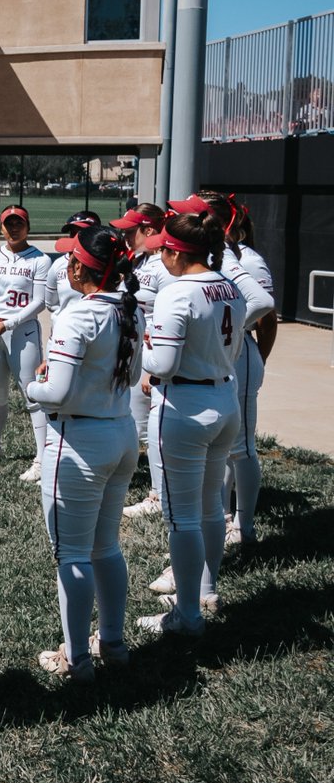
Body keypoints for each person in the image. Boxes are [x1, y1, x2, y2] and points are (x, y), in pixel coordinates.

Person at [26, 227, 142, 682]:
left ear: (80, 267)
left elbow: (54, 392)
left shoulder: (78, 315)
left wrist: (33, 387)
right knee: (105, 547)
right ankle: (112, 642)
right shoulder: (129, 309)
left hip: (78, 443)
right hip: (119, 434)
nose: (66, 266)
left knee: (72, 555)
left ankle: (76, 660)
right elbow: (132, 379)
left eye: (70, 259)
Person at [135, 212, 248, 637]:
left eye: (164, 248)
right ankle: (205, 590)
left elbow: (161, 364)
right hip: (223, 397)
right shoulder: (229, 284)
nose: (160, 254)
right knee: (209, 508)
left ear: (178, 252)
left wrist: (139, 352)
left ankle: (187, 615)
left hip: (184, 405)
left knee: (182, 517)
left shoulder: (177, 291)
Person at [184, 191, 278, 548]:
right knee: (219, 448)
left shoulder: (247, 260)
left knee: (241, 448)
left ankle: (245, 526)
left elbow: (267, 318)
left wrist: (240, 340)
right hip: (219, 357)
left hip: (239, 357)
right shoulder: (204, 256)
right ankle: (220, 518)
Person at [0, 205, 51, 480]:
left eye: (19, 223)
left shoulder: (39, 259)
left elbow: (40, 301)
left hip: (22, 333)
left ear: (28, 226)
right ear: (1, 226)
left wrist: (8, 323)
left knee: (33, 395)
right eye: (9, 223)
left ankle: (43, 459)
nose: (14, 228)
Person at [109, 203, 171, 519]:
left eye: (130, 230)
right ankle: (147, 485)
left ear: (149, 231)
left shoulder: (164, 266)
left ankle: (159, 495)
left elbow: (168, 316)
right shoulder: (141, 260)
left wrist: (151, 367)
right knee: (136, 425)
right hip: (135, 350)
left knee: (151, 430)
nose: (124, 235)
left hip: (152, 355)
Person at [45, 211, 101, 322]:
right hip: (64, 329)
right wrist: (68, 316)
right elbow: (50, 303)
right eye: (72, 233)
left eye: (81, 233)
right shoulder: (58, 264)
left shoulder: (105, 265)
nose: (75, 237)